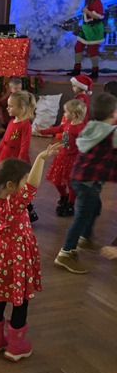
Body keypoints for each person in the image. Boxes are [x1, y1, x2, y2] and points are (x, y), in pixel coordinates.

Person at [0, 143, 61, 361]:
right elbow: (32, 187)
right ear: (10, 185)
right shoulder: (14, 204)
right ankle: (16, 347)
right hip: (16, 258)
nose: (26, 186)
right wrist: (40, 158)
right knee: (20, 300)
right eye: (23, 181)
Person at [54, 92, 117, 274]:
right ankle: (65, 253)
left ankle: (85, 238)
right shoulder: (112, 133)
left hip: (79, 178)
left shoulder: (91, 126)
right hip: (88, 183)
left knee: (95, 207)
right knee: (81, 217)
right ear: (113, 113)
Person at [0, 90, 38, 222]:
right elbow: (4, 141)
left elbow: (24, 147)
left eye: (11, 106)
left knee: (18, 187)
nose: (7, 108)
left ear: (21, 108)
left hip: (16, 161)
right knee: (1, 183)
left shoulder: (25, 125)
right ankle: (0, 209)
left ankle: (29, 210)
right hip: (5, 158)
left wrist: (19, 164)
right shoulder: (11, 122)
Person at [35, 99, 86, 216]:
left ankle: (71, 203)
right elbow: (57, 129)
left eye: (66, 112)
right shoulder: (68, 124)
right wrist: (42, 131)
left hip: (73, 161)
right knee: (57, 181)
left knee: (71, 184)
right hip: (62, 158)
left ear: (74, 115)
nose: (64, 114)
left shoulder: (80, 129)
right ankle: (64, 197)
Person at [69, 0, 104, 80]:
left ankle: (95, 71)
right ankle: (77, 69)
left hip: (93, 30)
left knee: (92, 50)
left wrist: (87, 11)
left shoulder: (97, 2)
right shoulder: (89, 1)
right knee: (78, 47)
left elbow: (99, 16)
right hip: (86, 28)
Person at [0, 76, 23, 147]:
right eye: (16, 89)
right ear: (10, 89)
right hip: (5, 119)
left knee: (10, 132)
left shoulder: (18, 96)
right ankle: (8, 145)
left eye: (19, 88)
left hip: (12, 118)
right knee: (11, 132)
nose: (18, 90)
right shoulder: (8, 97)